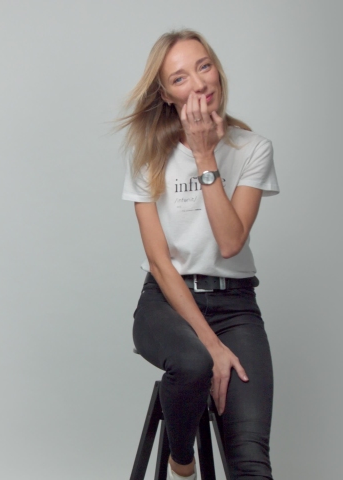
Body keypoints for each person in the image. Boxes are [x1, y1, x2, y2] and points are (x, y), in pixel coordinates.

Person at [119, 29, 279, 480]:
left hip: (236, 307)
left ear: (217, 71)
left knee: (251, 459)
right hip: (167, 301)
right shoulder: (150, 156)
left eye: (203, 66)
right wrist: (212, 347)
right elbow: (159, 262)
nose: (198, 83)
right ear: (167, 95)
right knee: (193, 362)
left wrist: (206, 156)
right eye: (180, 78)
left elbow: (231, 243)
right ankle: (181, 455)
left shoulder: (252, 149)